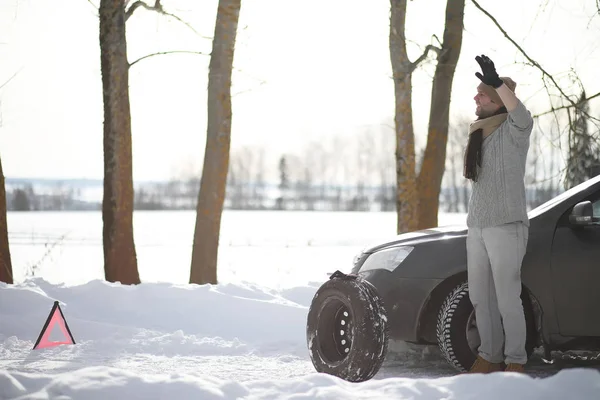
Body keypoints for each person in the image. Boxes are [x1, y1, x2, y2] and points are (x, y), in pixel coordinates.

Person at [464, 54, 533, 373]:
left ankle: (515, 361)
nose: (475, 97)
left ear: (496, 101)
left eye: (482, 94)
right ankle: (489, 356)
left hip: (506, 226)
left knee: (508, 299)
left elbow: (523, 115)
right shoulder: (479, 133)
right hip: (477, 226)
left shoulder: (513, 131)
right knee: (481, 298)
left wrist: (497, 84)